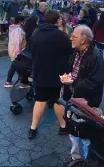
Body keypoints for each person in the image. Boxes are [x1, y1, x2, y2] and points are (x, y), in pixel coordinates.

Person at [28, 9, 74, 139]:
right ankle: (63, 126)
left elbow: (32, 50)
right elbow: (69, 51)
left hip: (40, 72)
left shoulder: (36, 33)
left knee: (40, 100)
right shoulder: (61, 35)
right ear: (57, 20)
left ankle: (33, 128)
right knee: (57, 100)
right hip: (57, 74)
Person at [4, 16, 26, 88]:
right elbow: (18, 42)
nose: (25, 23)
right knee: (15, 66)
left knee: (15, 66)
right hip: (16, 51)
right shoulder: (18, 30)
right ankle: (20, 82)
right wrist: (18, 53)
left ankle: (15, 81)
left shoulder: (12, 28)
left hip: (12, 49)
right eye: (24, 21)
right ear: (20, 22)